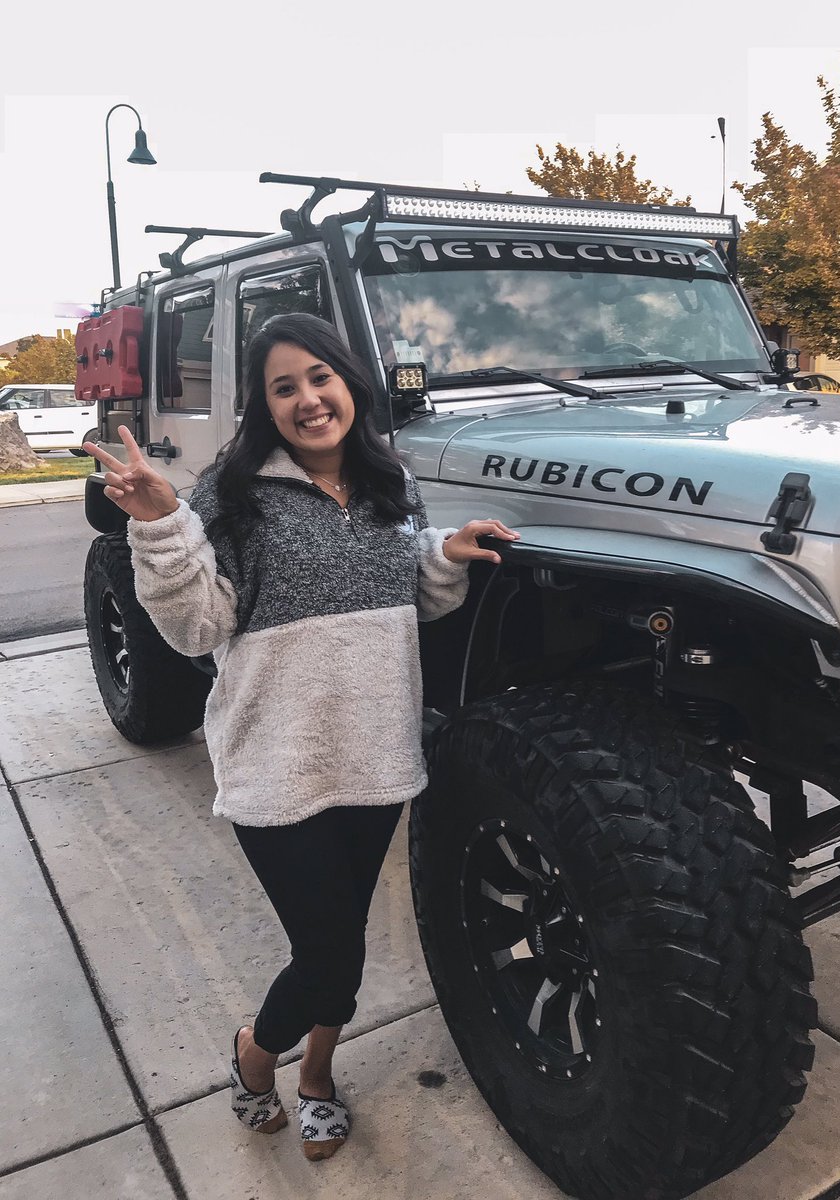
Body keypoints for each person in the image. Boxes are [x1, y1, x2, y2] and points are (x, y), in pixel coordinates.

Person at [85, 313, 519, 1162]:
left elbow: (411, 601)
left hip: (377, 755)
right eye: (284, 387)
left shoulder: (390, 477)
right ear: (263, 406)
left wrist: (448, 555)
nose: (308, 399)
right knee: (324, 955)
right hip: (276, 764)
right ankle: (256, 1055)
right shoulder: (229, 494)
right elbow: (197, 626)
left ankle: (317, 1073)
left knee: (342, 946)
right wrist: (160, 524)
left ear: (350, 383)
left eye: (320, 378)